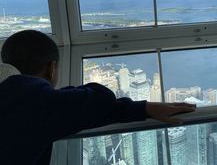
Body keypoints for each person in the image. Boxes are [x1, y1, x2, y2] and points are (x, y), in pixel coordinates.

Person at [0, 30, 196, 165]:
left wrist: (142, 108)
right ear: (51, 69)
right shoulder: (36, 103)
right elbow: (102, 98)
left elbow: (74, 115)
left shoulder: (16, 99)